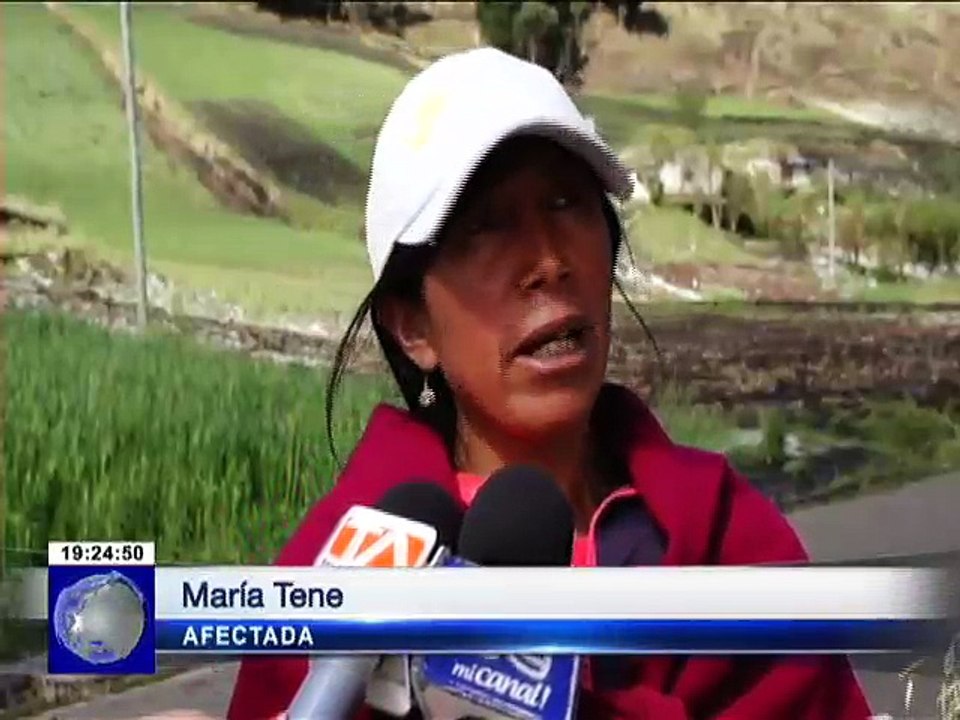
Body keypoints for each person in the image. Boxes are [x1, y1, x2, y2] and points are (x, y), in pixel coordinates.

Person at [227, 48, 871, 719]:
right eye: (485, 226)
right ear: (413, 325)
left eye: (568, 204)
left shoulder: (730, 541)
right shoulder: (322, 588)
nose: (549, 261)